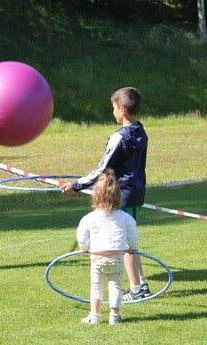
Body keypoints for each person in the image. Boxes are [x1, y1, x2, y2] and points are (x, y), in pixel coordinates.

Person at [61, 87, 149, 301]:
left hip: (122, 195)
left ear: (123, 110)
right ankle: (141, 283)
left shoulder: (119, 138)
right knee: (128, 236)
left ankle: (136, 289)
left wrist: (77, 185)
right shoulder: (141, 132)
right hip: (137, 192)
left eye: (113, 109)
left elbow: (103, 169)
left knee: (124, 242)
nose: (113, 113)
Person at [77, 169, 139, 325]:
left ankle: (95, 316)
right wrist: (133, 247)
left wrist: (85, 248)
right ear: (118, 196)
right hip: (117, 257)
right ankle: (114, 316)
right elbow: (133, 235)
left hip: (98, 257)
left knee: (96, 286)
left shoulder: (89, 218)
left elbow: (82, 236)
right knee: (115, 285)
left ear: (95, 196)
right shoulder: (125, 217)